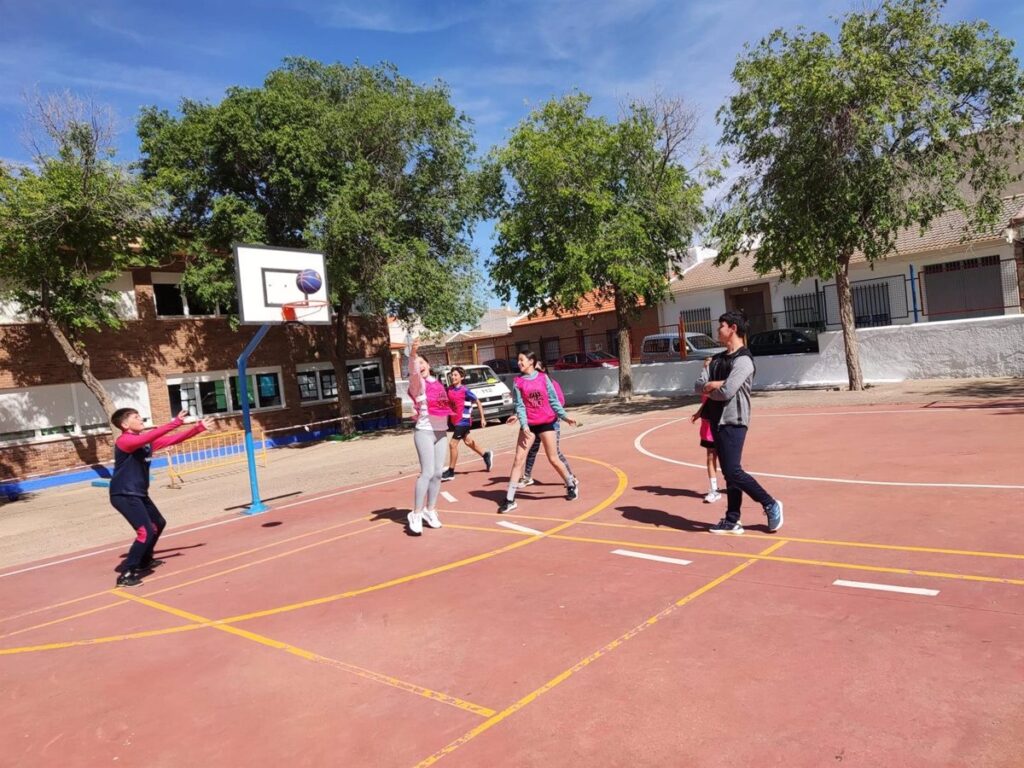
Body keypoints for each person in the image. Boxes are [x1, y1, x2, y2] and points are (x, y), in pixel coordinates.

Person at [694, 310, 783, 534]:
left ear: (732, 328)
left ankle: (770, 503)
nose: (717, 330)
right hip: (716, 420)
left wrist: (714, 386)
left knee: (733, 471)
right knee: (728, 472)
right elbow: (698, 386)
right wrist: (713, 383)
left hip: (734, 421)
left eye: (720, 326)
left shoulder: (744, 361)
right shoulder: (715, 360)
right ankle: (732, 519)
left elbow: (727, 392)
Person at [109, 408, 214, 587]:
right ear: (125, 424)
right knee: (145, 532)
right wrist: (176, 422)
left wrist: (198, 428)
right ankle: (126, 574)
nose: (140, 419)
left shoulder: (145, 444)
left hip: (138, 493)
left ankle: (144, 560)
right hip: (124, 493)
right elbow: (149, 436)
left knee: (158, 523)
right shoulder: (124, 441)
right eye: (136, 417)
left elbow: (172, 439)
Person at [498, 350, 578, 514]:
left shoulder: (543, 378)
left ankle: (571, 484)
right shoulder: (518, 381)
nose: (519, 363)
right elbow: (520, 406)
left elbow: (553, 400)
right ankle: (510, 499)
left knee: (553, 458)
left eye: (521, 360)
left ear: (531, 361)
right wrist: (524, 425)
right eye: (518, 360)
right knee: (518, 460)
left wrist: (565, 417)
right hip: (529, 425)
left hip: (546, 422)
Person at [406, 341, 459, 535]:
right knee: (427, 473)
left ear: (428, 365)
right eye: (417, 363)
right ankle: (416, 513)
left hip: (440, 432)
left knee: (438, 473)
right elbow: (413, 370)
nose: (420, 366)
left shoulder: (437, 384)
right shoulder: (417, 383)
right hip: (424, 432)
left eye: (422, 362)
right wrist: (413, 353)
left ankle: (431, 510)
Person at [518, 359, 572, 487]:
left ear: (543, 370)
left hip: (550, 423)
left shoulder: (551, 383)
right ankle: (527, 476)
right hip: (534, 423)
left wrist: (560, 416)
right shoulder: (524, 383)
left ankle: (570, 477)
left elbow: (559, 401)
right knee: (531, 450)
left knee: (555, 454)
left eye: (537, 369)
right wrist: (519, 416)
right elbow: (523, 404)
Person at [442, 366, 494, 481]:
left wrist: (483, 418)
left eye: (455, 375)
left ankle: (451, 472)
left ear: (462, 377)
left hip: (464, 421)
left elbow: (478, 402)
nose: (453, 377)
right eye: (452, 375)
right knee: (468, 441)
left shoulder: (465, 390)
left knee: (452, 444)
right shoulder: (449, 389)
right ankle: (486, 454)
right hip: (455, 422)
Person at [691, 381, 721, 503]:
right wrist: (698, 413)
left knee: (726, 459)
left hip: (720, 424)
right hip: (708, 427)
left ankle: (733, 485)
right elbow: (706, 402)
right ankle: (714, 490)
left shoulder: (718, 383)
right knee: (710, 456)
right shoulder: (705, 384)